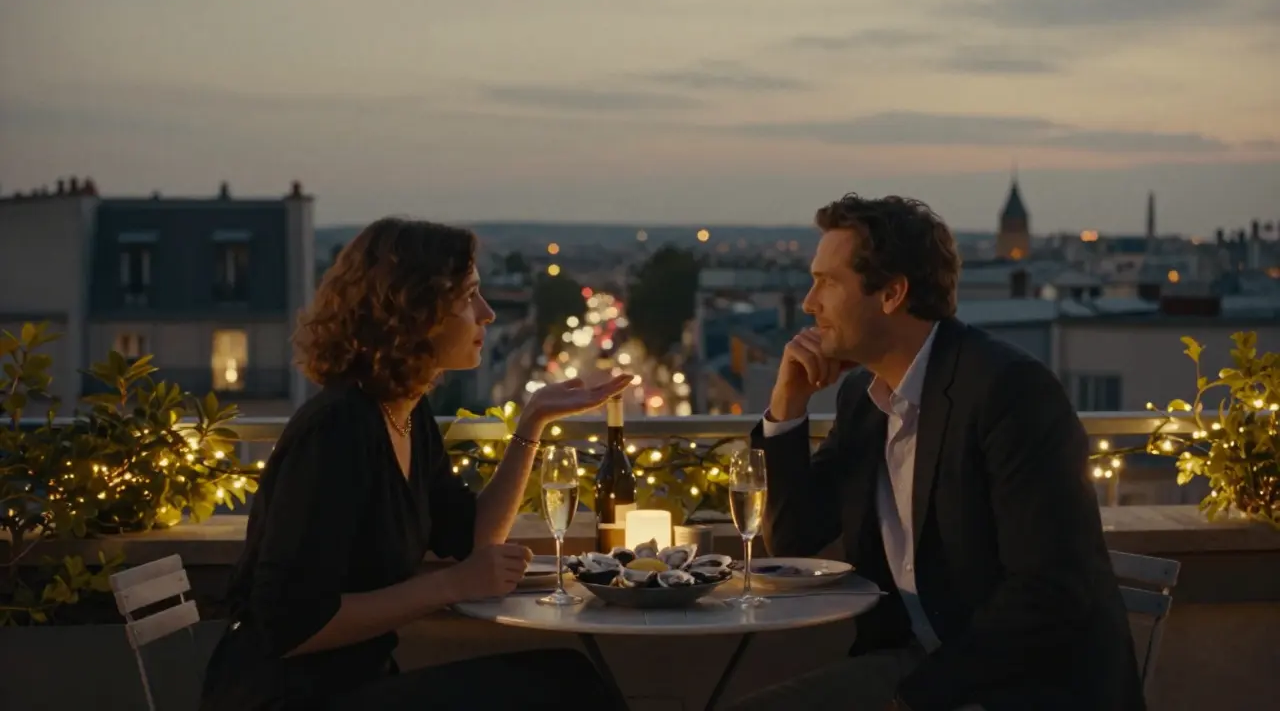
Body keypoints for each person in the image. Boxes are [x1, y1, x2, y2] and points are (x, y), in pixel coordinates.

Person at [727, 195, 1145, 711]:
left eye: (828, 282)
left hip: (1025, 685)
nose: (810, 302)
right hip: (919, 669)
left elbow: (1050, 590)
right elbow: (791, 535)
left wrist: (916, 697)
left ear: (892, 293)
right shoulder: (865, 399)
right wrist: (786, 405)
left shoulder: (1007, 391)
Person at [200, 217, 633, 711]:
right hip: (284, 697)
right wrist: (451, 585)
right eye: (469, 296)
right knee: (565, 689)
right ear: (415, 309)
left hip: (356, 685)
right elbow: (290, 625)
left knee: (568, 677)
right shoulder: (337, 431)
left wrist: (532, 423)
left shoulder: (406, 412)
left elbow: (472, 537)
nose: (487, 313)